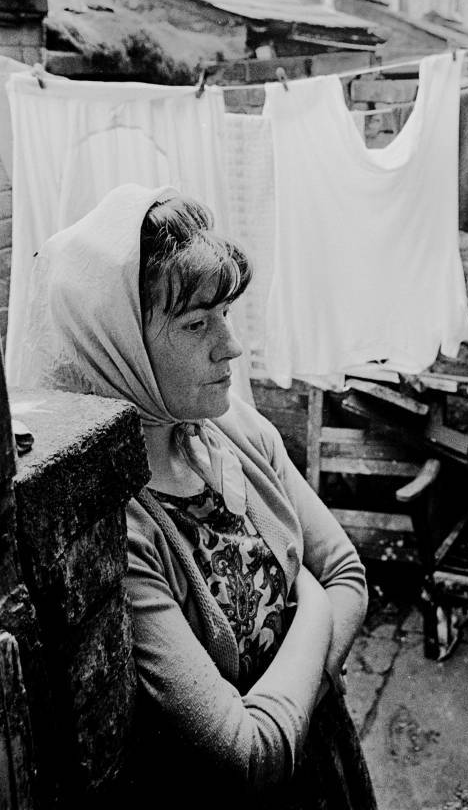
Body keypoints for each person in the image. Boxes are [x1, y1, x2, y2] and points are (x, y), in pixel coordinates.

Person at [25, 182, 377, 808]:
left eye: (226, 313)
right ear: (118, 345)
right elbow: (249, 756)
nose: (231, 345)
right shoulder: (117, 527)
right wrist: (316, 610)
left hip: (321, 765)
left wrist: (291, 706)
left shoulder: (232, 428)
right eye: (195, 324)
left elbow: (349, 570)